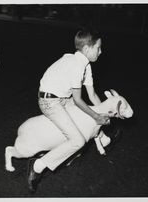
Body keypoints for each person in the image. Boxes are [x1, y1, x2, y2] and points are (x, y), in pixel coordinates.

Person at [27, 28, 110, 192]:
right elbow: (79, 100)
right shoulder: (76, 65)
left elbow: (92, 95)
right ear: (87, 49)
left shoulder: (85, 65)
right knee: (78, 140)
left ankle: (102, 136)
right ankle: (37, 165)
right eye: (98, 48)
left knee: (87, 120)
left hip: (64, 98)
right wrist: (97, 116)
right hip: (49, 101)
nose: (101, 51)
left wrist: (104, 113)